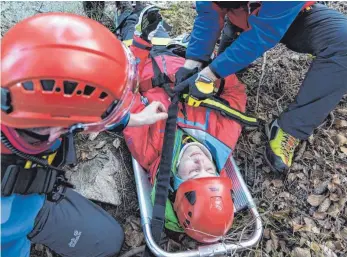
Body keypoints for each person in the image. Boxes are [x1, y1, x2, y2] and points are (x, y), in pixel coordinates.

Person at [1, 13, 169, 257]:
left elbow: (77, 105)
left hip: (31, 194)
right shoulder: (4, 217)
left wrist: (132, 119)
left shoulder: (27, 100)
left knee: (108, 239)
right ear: (58, 125)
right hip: (17, 220)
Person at [116, 5, 249, 243]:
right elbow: (236, 93)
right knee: (164, 26)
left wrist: (141, 43)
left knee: (130, 24)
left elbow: (125, 91)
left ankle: (126, 11)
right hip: (186, 57)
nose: (201, 161)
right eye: (210, 171)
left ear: (174, 182)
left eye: (194, 173)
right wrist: (211, 75)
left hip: (146, 60)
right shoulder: (223, 137)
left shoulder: (148, 149)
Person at [175, 1, 347, 173]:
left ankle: (292, 128)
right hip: (242, 18)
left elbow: (263, 35)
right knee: (225, 73)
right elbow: (209, 13)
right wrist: (194, 62)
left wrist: (210, 73)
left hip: (295, 17)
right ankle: (233, 35)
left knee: (344, 41)